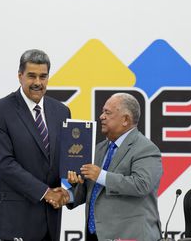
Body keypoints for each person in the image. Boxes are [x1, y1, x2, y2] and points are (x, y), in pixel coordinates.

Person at [0, 49, 71, 241]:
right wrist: (46, 193)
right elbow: (4, 164)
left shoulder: (62, 111)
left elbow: (65, 158)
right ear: (20, 76)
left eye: (43, 76)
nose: (38, 82)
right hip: (14, 218)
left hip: (51, 218)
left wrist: (69, 187)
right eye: (31, 76)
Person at [67, 93, 163, 241]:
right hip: (95, 235)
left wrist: (101, 175)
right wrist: (68, 195)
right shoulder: (99, 149)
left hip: (129, 236)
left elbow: (141, 184)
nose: (101, 116)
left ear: (125, 119)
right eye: (102, 111)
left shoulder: (146, 149)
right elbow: (91, 189)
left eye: (107, 112)